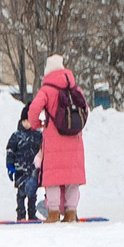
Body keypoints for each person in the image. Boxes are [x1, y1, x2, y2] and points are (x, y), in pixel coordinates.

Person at [23, 55, 89, 221]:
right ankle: (71, 212)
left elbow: (33, 110)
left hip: (53, 140)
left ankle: (53, 213)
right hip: (74, 139)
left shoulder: (47, 89)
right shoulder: (75, 89)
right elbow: (85, 109)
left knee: (53, 178)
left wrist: (36, 124)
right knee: (72, 178)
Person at [6, 124, 42, 222]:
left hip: (33, 169)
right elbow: (10, 152)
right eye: (24, 121)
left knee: (32, 193)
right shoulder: (16, 136)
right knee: (21, 193)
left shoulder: (38, 135)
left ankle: (32, 214)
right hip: (20, 169)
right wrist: (10, 165)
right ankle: (21, 214)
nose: (27, 123)